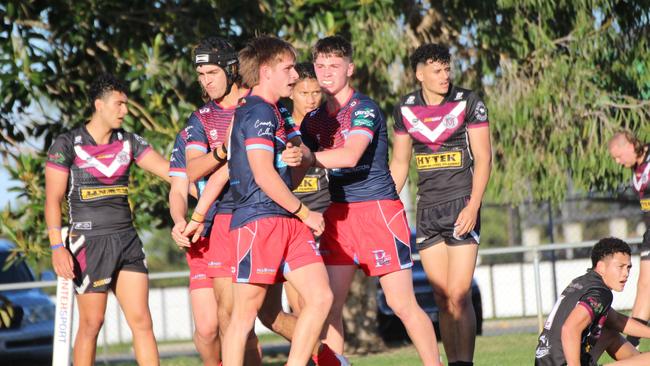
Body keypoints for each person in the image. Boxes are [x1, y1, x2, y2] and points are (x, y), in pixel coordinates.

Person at [297, 35, 442, 366]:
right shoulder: (312, 120)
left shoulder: (364, 109)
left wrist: (307, 156)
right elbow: (293, 165)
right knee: (328, 304)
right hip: (338, 215)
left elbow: (349, 156)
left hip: (378, 211)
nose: (326, 73)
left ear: (350, 68)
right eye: (320, 66)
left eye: (334, 66)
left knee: (401, 303)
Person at [222, 35, 333, 366]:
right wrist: (305, 212)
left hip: (287, 218)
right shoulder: (256, 111)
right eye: (287, 68)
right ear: (267, 71)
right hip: (259, 219)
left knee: (320, 297)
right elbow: (263, 175)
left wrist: (300, 157)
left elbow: (290, 173)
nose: (295, 75)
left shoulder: (279, 113)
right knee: (244, 316)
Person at [46, 73, 170, 366]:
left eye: (126, 104)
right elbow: (52, 200)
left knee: (142, 321)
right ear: (98, 104)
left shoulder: (129, 142)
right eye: (119, 104)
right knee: (92, 323)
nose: (124, 111)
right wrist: (56, 247)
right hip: (88, 243)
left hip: (126, 240)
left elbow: (170, 173)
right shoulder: (66, 144)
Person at [389, 43, 492, 366]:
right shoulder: (404, 109)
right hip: (428, 209)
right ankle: (452, 362)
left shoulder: (469, 102)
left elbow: (484, 158)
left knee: (460, 295)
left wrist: (473, 205)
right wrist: (387, 208)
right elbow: (400, 163)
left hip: (462, 204)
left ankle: (465, 362)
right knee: (441, 297)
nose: (445, 75)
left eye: (447, 69)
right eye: (437, 70)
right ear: (420, 74)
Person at [180, 36, 262, 365]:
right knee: (230, 318)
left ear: (231, 69)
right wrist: (226, 150)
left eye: (212, 72)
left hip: (267, 214)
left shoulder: (258, 104)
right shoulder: (201, 118)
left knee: (279, 313)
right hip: (225, 221)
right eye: (201, 75)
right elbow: (193, 169)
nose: (206, 81)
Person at [535, 237, 650, 366]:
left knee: (609, 334)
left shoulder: (582, 282)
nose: (626, 273)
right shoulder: (601, 293)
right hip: (564, 362)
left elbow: (616, 320)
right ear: (601, 266)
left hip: (544, 361)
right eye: (621, 267)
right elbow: (569, 329)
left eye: (628, 267)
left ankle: (638, 360)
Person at [169, 125, 223, 365]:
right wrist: (179, 220)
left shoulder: (245, 123)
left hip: (236, 230)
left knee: (239, 325)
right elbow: (178, 190)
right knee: (207, 328)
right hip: (202, 239)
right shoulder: (188, 135)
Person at [285, 62, 328, 314]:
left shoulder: (329, 128)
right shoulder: (280, 128)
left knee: (328, 304)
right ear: (291, 91)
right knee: (300, 305)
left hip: (326, 218)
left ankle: (334, 355)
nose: (312, 100)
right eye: (304, 93)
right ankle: (311, 355)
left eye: (316, 92)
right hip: (293, 222)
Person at [608, 130, 650, 347]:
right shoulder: (636, 169)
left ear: (630, 146)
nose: (617, 161)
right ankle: (632, 345)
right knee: (644, 285)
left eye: (618, 155)